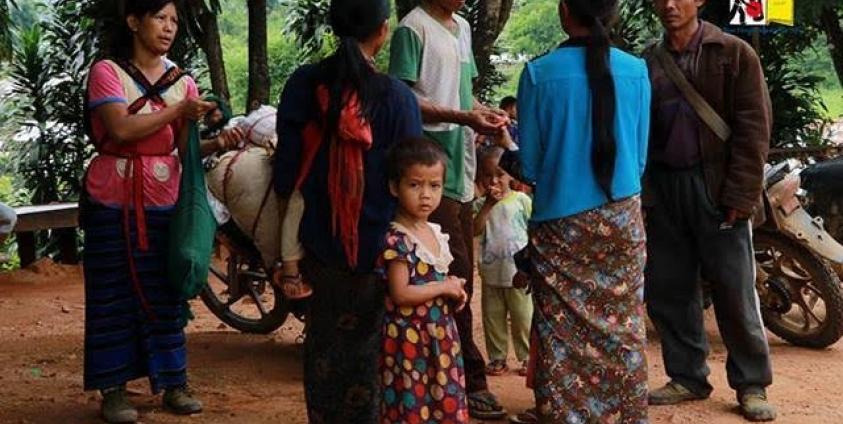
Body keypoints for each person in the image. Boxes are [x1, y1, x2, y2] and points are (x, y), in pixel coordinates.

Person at [273, 0, 423, 421]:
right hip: (381, 255)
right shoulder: (398, 99)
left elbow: (286, 176)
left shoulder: (303, 84)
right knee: (376, 362)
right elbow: (410, 185)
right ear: (383, 30)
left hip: (320, 252)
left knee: (325, 357)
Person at [81, 1, 217, 422]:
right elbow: (120, 128)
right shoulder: (108, 72)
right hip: (111, 201)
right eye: (160, 17)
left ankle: (174, 382)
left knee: (166, 293)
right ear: (134, 21)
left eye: (174, 20)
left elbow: (180, 148)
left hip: (165, 200)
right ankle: (114, 390)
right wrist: (178, 110)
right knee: (112, 296)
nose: (169, 27)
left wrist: (218, 142)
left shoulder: (184, 82)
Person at [516, 0, 651, 421]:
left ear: (564, 10)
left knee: (562, 330)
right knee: (624, 324)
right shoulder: (637, 71)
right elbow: (640, 157)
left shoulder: (538, 74)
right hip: (622, 216)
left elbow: (531, 165)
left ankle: (566, 414)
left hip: (561, 221)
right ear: (611, 13)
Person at [643, 0, 775, 421]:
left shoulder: (734, 53)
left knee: (735, 290)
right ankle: (687, 376)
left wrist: (741, 195)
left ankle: (752, 383)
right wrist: (645, 197)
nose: (668, 4)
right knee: (669, 288)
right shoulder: (647, 62)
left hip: (717, 186)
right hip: (664, 187)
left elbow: (754, 130)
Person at [389, 1, 510, 418]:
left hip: (458, 173)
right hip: (429, 175)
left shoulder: (461, 27)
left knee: (462, 279)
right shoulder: (413, 29)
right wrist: (464, 116)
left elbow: (461, 91)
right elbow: (403, 100)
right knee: (452, 275)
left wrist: (480, 113)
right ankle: (468, 378)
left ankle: (454, 375)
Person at [377, 137, 469, 423]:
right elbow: (401, 293)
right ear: (395, 187)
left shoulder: (434, 231)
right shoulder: (397, 239)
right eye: (414, 185)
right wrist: (444, 287)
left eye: (434, 186)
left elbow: (432, 275)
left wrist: (452, 288)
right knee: (414, 407)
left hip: (440, 338)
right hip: (409, 343)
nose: (426, 195)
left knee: (443, 404)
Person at [473, 147, 533, 377]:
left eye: (500, 174)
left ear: (511, 175)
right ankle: (497, 358)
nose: (495, 180)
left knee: (523, 318)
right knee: (493, 318)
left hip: (518, 273)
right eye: (488, 175)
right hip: (491, 273)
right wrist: (487, 205)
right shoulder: (481, 204)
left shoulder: (521, 201)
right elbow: (474, 230)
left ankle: (527, 358)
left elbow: (533, 229)